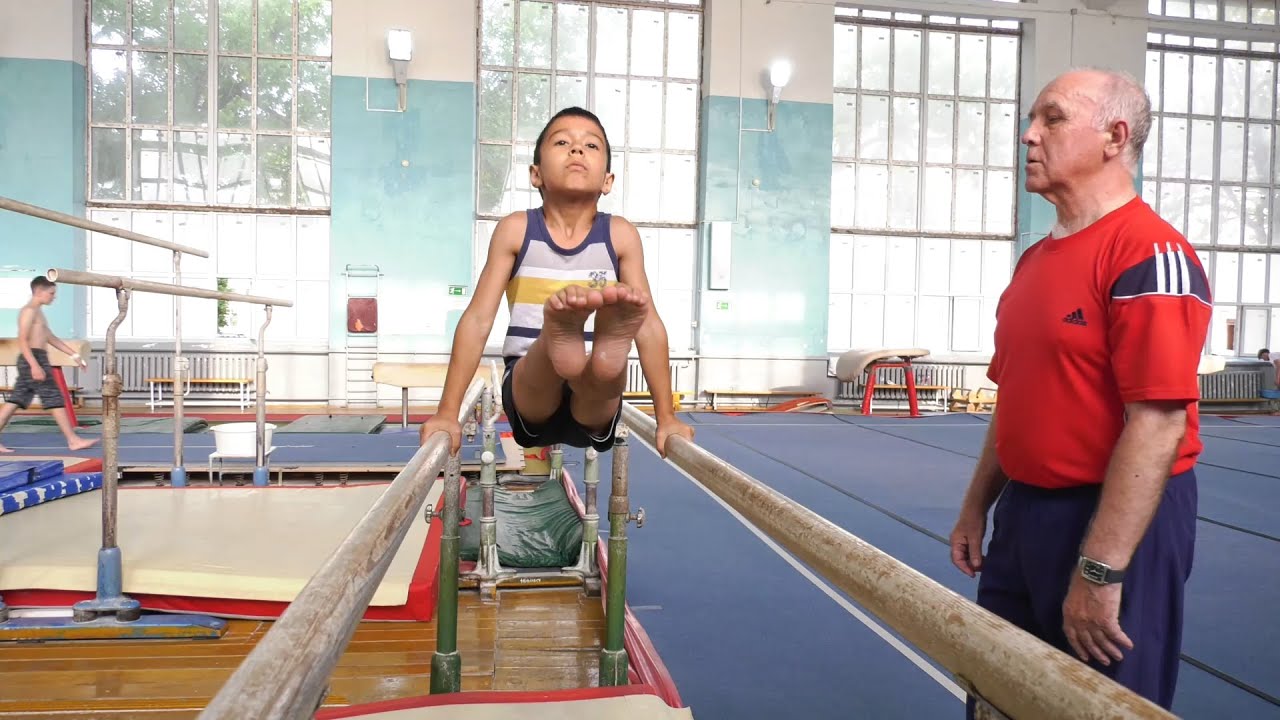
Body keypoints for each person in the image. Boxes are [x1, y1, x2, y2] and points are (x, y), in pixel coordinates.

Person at [949, 68, 1210, 712]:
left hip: (1116, 516)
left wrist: (1101, 569)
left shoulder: (1150, 254)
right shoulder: (1035, 262)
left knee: (1097, 703)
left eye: (1052, 118)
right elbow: (1014, 397)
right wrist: (977, 506)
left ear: (1114, 137)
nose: (1027, 135)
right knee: (1002, 694)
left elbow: (1157, 424)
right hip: (1025, 514)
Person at [420, 107, 693, 458]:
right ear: (536, 174)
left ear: (607, 181)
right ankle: (557, 340)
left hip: (591, 396)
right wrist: (447, 411)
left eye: (591, 146)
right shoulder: (517, 230)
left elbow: (648, 325)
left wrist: (665, 416)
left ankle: (606, 351)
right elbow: (478, 319)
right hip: (531, 387)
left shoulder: (620, 236)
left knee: (602, 378)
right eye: (562, 141)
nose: (577, 150)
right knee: (554, 367)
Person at [0, 276, 99, 453]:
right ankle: (73, 440)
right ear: (39, 291)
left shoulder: (39, 312)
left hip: (37, 359)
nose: (54, 297)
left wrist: (74, 354)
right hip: (33, 359)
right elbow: (22, 340)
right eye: (51, 293)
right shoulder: (29, 311)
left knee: (15, 401)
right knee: (54, 398)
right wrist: (34, 365)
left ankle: (73, 439)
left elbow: (51, 338)